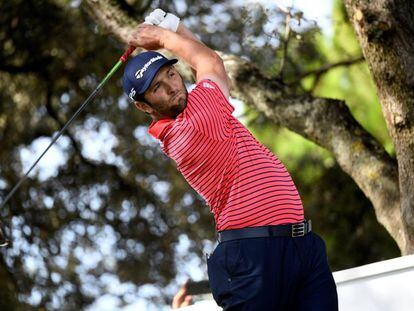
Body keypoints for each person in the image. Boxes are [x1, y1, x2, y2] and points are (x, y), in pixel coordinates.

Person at [122, 8, 338, 311]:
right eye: (157, 87)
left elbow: (208, 64)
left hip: (301, 245)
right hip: (253, 255)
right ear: (145, 107)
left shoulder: (194, 106)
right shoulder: (190, 130)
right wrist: (162, 35)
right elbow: (209, 63)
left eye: (170, 73)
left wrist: (175, 27)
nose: (172, 85)